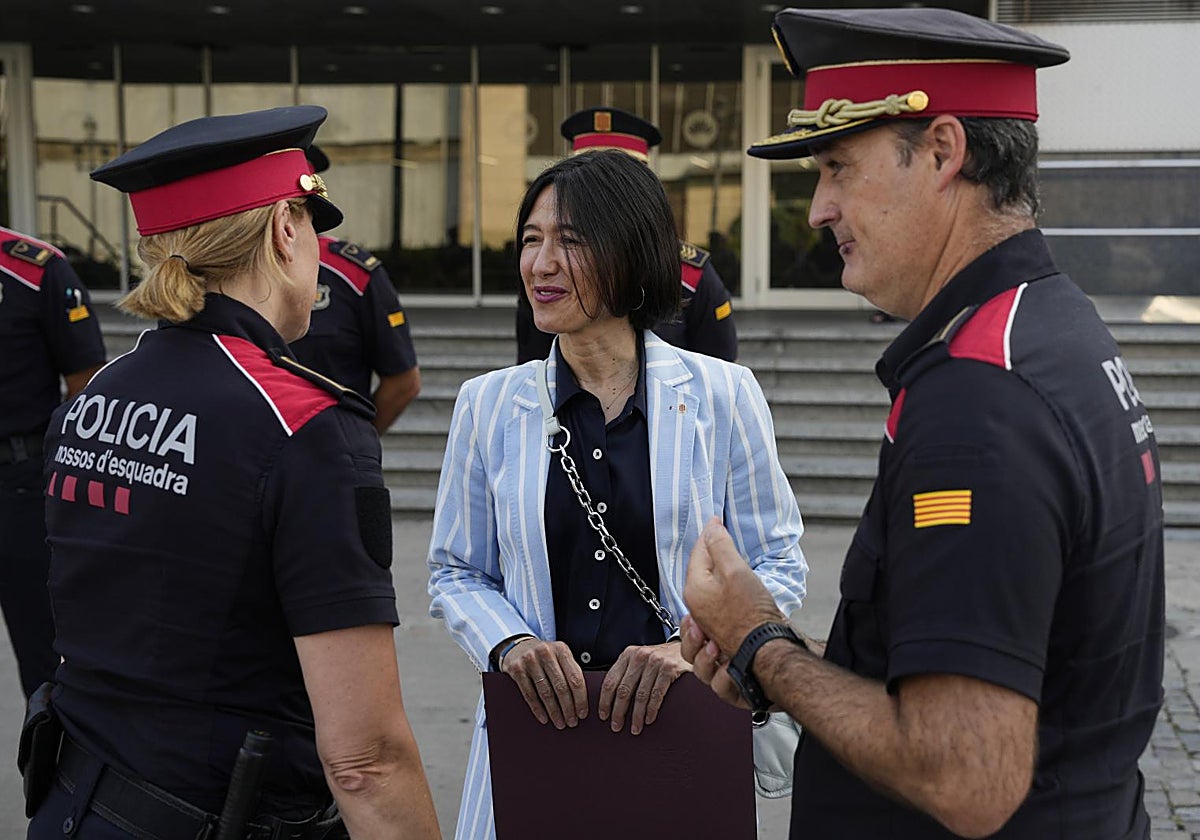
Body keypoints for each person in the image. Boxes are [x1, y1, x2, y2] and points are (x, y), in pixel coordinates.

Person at [682, 8, 1164, 840]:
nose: (817, 209)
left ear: (943, 151)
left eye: (838, 166)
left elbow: (964, 774)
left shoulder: (978, 398)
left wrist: (759, 644)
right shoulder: (1048, 323)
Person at [29, 106, 440, 839]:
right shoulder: (305, 426)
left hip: (74, 806)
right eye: (311, 224)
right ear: (285, 231)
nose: (317, 244)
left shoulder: (94, 398)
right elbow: (366, 761)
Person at [428, 148, 806, 840]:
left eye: (570, 241)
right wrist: (510, 644)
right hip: (537, 734)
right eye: (530, 240)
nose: (540, 264)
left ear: (632, 253)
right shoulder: (485, 406)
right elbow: (456, 570)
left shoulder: (724, 395)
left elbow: (777, 563)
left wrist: (686, 654)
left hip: (684, 730)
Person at [515, 106, 738, 364]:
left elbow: (716, 370)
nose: (542, 266)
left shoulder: (689, 273)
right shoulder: (545, 276)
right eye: (532, 238)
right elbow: (532, 370)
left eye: (610, 185)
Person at [0, 226, 106, 699]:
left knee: (42, 651)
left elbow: (84, 378)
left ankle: (44, 767)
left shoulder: (32, 269)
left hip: (17, 485)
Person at [291, 145, 421, 435]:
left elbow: (403, 382)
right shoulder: (231, 272)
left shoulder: (353, 272)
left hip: (330, 462)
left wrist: (355, 442)